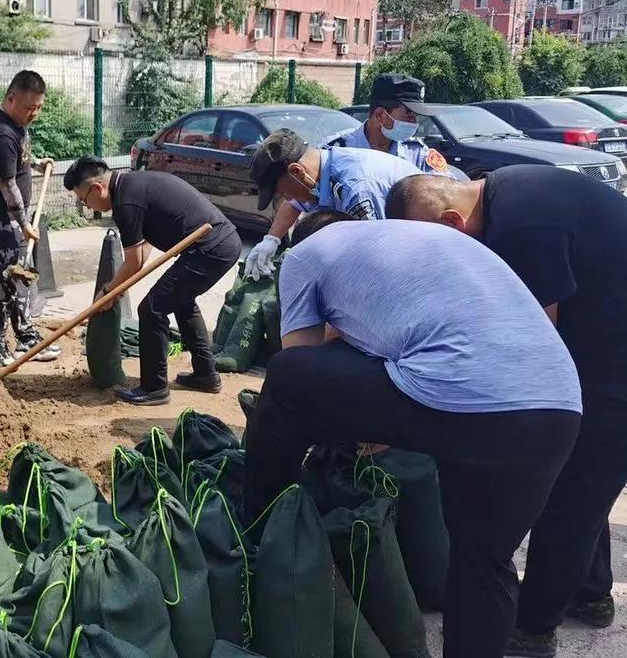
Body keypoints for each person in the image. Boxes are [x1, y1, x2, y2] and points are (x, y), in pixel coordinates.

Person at [243, 211, 581, 658]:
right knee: (483, 558)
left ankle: (261, 525)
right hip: (556, 406)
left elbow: (301, 359)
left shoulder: (306, 253)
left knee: (287, 378)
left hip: (462, 395)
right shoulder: (419, 244)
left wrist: (357, 424)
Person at [385, 166, 627, 658]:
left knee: (570, 499)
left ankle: (533, 629)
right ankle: (590, 594)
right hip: (602, 345)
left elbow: (535, 340)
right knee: (585, 483)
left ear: (452, 222)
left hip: (615, 372)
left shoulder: (522, 228)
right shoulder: (506, 192)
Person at [65, 156, 241, 405]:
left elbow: (134, 261)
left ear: (96, 188)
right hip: (219, 244)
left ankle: (154, 388)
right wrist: (117, 289)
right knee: (181, 302)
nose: (87, 206)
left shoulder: (126, 202)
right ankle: (206, 375)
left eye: (84, 200)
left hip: (210, 248)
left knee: (151, 310)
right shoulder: (131, 187)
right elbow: (143, 248)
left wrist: (109, 291)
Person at [245, 73, 448, 280]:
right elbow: (297, 200)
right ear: (381, 114)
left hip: (418, 252)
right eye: (408, 115)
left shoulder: (411, 156)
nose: (414, 122)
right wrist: (271, 240)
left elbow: (379, 254)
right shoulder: (333, 151)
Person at [0, 70, 58, 370]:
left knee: (18, 276)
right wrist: (24, 223)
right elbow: (8, 186)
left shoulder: (14, 123)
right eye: (30, 107)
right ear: (11, 99)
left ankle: (26, 337)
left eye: (39, 107)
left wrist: (36, 163)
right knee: (1, 282)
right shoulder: (0, 134)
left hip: (10, 219)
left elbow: (17, 159)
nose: (35, 114)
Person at [242, 126, 420, 279]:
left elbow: (375, 258)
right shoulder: (319, 170)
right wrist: (271, 240)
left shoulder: (356, 189)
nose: (288, 198)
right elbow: (293, 205)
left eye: (285, 193)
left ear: (297, 171)